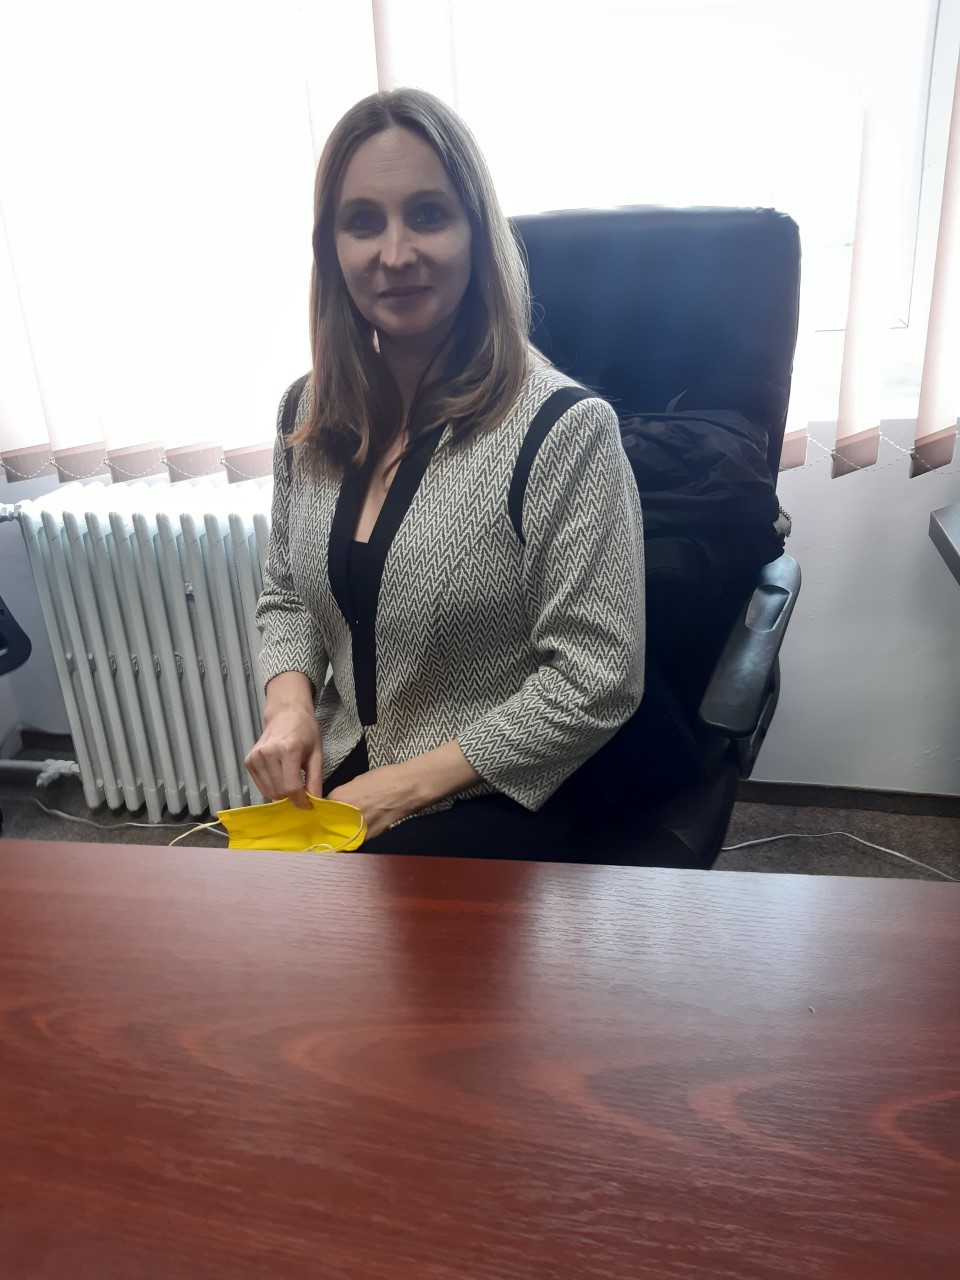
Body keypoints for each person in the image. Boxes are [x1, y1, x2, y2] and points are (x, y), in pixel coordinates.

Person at [244, 88, 644, 857]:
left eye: (427, 214)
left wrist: (400, 788)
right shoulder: (308, 411)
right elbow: (287, 593)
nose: (395, 255)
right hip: (351, 770)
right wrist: (289, 706)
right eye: (363, 222)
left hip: (496, 787)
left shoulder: (563, 429)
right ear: (331, 247)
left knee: (347, 923)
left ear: (476, 233)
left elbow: (596, 677)